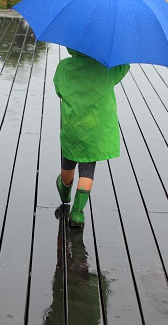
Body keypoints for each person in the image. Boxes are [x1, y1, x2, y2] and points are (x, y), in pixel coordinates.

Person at [54, 48, 129, 227]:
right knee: (87, 171)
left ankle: (65, 191)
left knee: (68, 161)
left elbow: (59, 90)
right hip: (96, 129)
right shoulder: (107, 69)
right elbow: (124, 67)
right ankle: (78, 213)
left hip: (73, 126)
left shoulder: (64, 66)